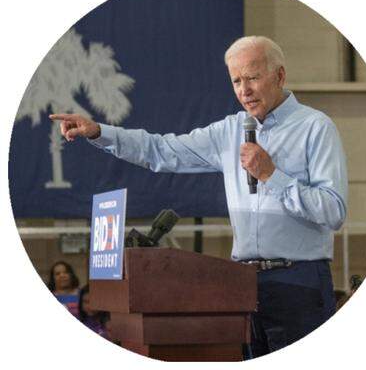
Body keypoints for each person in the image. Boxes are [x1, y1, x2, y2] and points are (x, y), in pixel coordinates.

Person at [49, 36, 349, 358]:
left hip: (299, 283)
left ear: (280, 76)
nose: (244, 90)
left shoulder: (315, 127)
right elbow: (161, 150)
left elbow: (333, 210)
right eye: (236, 81)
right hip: (242, 285)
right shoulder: (229, 131)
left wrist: (271, 175)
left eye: (252, 77)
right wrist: (100, 132)